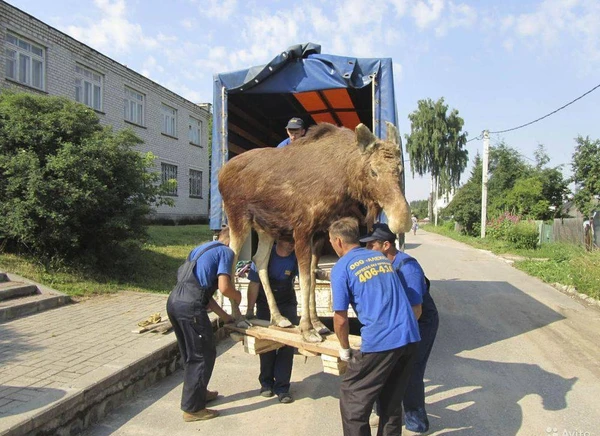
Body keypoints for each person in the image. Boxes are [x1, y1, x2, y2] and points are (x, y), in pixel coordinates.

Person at [328, 217, 420, 436]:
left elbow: (340, 318)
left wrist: (344, 349)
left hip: (381, 341)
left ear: (339, 241)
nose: (331, 245)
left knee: (353, 400)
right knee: (391, 401)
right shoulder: (380, 259)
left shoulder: (342, 267)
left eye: (331, 241)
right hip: (410, 337)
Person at [360, 223, 439, 433]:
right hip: (398, 321)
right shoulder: (379, 265)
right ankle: (384, 412)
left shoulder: (407, 266)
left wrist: (401, 340)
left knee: (410, 370)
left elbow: (416, 309)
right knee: (386, 369)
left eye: (372, 245)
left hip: (420, 323)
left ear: (386, 245)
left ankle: (416, 422)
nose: (368, 250)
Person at [166, 226, 242, 422]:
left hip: (174, 302)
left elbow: (203, 293)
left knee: (191, 354)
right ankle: (193, 409)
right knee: (203, 355)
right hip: (191, 306)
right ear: (231, 240)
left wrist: (225, 316)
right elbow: (225, 288)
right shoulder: (226, 251)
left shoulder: (200, 249)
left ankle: (200, 393)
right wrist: (238, 296)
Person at [245, 237, 298, 403]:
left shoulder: (295, 257)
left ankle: (282, 388)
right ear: (278, 240)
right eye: (288, 241)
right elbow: (254, 284)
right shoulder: (265, 256)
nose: (291, 245)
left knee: (287, 345)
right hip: (265, 302)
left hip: (287, 301)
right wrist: (249, 310)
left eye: (294, 242)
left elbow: (304, 279)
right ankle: (266, 384)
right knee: (266, 345)